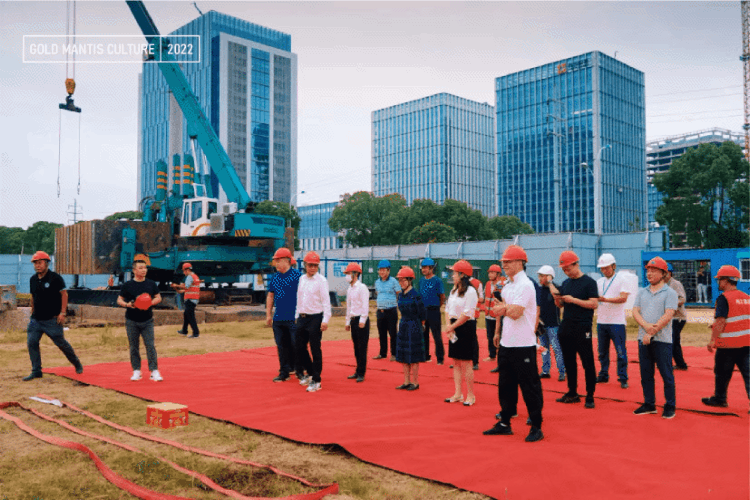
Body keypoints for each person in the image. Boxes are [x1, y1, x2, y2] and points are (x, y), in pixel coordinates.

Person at [483, 245, 544, 443]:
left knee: (529, 386)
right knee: (505, 385)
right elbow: (498, 310)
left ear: (520, 262)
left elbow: (516, 312)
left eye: (508, 262)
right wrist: (502, 319)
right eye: (503, 262)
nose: (504, 265)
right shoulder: (508, 285)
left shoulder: (525, 285)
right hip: (507, 343)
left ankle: (536, 426)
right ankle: (505, 422)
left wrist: (504, 308)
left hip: (523, 344)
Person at [23, 251, 84, 381]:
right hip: (36, 320)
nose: (37, 266)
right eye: (35, 263)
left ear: (46, 263)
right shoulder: (33, 279)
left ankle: (76, 363)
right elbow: (33, 296)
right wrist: (32, 311)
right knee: (32, 342)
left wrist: (63, 313)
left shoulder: (55, 278)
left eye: (40, 263)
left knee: (61, 343)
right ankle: (36, 371)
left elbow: (64, 295)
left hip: (52, 319)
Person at [632, 257, 678, 419]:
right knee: (646, 374)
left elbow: (669, 314)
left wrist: (652, 331)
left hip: (662, 340)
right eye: (648, 270)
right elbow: (635, 311)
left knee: (666, 374)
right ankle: (649, 404)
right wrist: (646, 326)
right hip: (643, 338)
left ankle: (670, 406)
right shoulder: (642, 292)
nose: (649, 273)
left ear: (663, 273)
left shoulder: (670, 293)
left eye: (653, 270)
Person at [555, 250, 599, 408]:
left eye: (568, 269)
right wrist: (558, 300)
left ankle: (590, 395)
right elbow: (561, 305)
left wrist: (573, 300)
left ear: (576, 265)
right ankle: (572, 392)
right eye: (564, 270)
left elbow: (594, 303)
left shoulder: (589, 282)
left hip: (582, 326)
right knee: (569, 361)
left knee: (587, 361)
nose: (566, 272)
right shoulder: (566, 283)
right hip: (566, 326)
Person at [702, 265, 750, 410]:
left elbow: (721, 321)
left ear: (726, 280)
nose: (718, 282)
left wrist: (712, 340)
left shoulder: (724, 298)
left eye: (719, 279)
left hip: (728, 345)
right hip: (746, 344)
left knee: (722, 373)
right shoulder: (746, 297)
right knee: (748, 375)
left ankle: (720, 399)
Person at [117, 256, 163, 382]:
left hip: (147, 320)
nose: (144, 270)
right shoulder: (127, 285)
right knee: (134, 347)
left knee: (150, 345)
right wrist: (127, 305)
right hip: (131, 320)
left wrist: (149, 303)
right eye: (141, 268)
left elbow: (158, 297)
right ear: (134, 270)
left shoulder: (151, 283)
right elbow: (119, 300)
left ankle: (154, 371)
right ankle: (136, 370)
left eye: (145, 268)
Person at [443, 260, 479, 406]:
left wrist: (452, 326)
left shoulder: (471, 291)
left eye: (455, 273)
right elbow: (447, 309)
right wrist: (448, 325)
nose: (453, 275)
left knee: (466, 362)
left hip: (465, 327)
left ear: (462, 274)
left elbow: (467, 314)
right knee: (456, 362)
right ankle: (458, 393)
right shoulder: (453, 290)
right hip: (453, 326)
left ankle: (470, 395)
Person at [295, 251, 331, 393]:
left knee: (315, 349)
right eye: (310, 265)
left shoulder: (321, 281)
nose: (313, 268)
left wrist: (325, 320)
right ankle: (310, 373)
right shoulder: (302, 279)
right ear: (305, 265)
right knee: (299, 347)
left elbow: (326, 301)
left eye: (315, 266)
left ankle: (316, 380)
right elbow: (299, 298)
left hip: (316, 317)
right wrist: (297, 315)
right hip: (302, 317)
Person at [265, 248, 302, 383]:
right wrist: (268, 314)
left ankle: (299, 370)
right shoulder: (275, 277)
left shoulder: (298, 276)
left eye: (277, 261)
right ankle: (284, 372)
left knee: (296, 345)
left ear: (286, 261)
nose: (275, 264)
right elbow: (270, 296)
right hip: (278, 318)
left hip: (294, 318)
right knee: (281, 346)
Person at [595, 253, 630, 389]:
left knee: (620, 351)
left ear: (613, 266)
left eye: (606, 267)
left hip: (617, 322)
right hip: (602, 321)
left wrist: (605, 299)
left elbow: (623, 298)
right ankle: (603, 374)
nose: (604, 270)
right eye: (602, 268)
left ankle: (623, 377)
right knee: (602, 351)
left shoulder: (622, 279)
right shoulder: (599, 282)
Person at [394, 266, 426, 390]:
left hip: (414, 326)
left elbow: (422, 313)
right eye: (399, 280)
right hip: (403, 324)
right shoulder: (400, 295)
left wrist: (420, 325)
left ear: (410, 280)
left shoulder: (416, 295)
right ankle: (406, 381)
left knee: (414, 355)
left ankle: (415, 382)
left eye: (403, 280)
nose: (401, 283)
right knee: (403, 354)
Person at [537, 265, 565, 382]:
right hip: (542, 325)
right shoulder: (539, 290)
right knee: (544, 349)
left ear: (549, 276)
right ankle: (545, 371)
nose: (539, 278)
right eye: (539, 276)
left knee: (557, 349)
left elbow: (557, 295)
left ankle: (562, 372)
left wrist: (550, 283)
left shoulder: (557, 287)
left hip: (554, 325)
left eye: (542, 276)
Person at [344, 262, 370, 383]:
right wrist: (347, 321)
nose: (347, 276)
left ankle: (361, 372)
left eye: (349, 273)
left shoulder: (362, 288)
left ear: (355, 274)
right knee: (356, 347)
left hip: (361, 320)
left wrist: (363, 319)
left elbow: (365, 305)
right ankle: (357, 369)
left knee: (362, 347)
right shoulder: (350, 289)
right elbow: (349, 306)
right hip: (354, 320)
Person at [419, 258, 446, 365]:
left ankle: (440, 358)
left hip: (434, 311)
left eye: (425, 268)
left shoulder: (437, 280)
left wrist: (437, 306)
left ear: (431, 268)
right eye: (422, 268)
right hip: (423, 311)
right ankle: (425, 356)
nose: (423, 270)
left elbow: (442, 296)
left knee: (436, 335)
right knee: (423, 334)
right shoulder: (421, 280)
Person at [373, 260, 400, 361]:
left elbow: (399, 293)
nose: (381, 272)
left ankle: (394, 354)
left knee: (393, 333)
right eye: (380, 270)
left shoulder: (393, 281)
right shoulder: (377, 282)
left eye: (384, 270)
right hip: (380, 311)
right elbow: (378, 293)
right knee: (381, 333)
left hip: (391, 310)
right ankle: (382, 353)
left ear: (388, 271)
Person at [666, 263, 689, 371]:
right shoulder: (662, 285)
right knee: (674, 341)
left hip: (678, 318)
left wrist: (670, 306)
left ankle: (668, 363)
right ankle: (680, 364)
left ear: (670, 273)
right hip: (669, 318)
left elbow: (682, 299)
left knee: (671, 341)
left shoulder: (675, 284)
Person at [481, 265, 503, 367]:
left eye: (492, 272)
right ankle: (492, 355)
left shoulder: (501, 284)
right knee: (490, 336)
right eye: (489, 272)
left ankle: (501, 356)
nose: (490, 274)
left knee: (500, 336)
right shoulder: (487, 284)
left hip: (498, 315)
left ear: (498, 274)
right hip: (488, 315)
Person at [172, 262, 200, 338]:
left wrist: (176, 285)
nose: (183, 273)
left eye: (183, 271)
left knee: (190, 316)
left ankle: (196, 333)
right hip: (194, 299)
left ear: (187, 270)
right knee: (186, 314)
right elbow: (187, 289)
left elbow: (186, 287)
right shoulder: (195, 276)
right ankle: (184, 330)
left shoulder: (189, 277)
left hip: (190, 299)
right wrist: (178, 290)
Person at [470, 276, 483, 370]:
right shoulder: (458, 283)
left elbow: (481, 298)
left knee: (473, 338)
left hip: (472, 315)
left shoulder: (477, 283)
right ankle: (459, 360)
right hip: (459, 315)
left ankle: (475, 362)